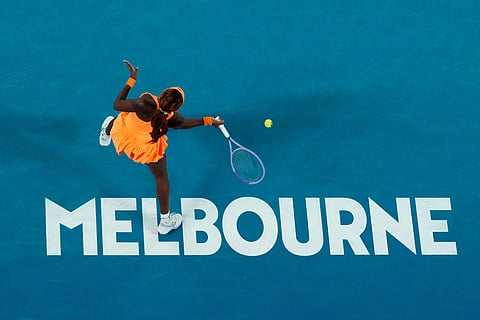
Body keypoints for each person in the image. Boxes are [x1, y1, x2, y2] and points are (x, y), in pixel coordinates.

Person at [99, 60, 223, 235]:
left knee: (119, 118)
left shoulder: (146, 102)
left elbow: (117, 104)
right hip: (145, 147)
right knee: (161, 178)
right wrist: (210, 121)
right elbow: (185, 124)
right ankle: (165, 221)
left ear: (162, 94)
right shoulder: (174, 119)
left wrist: (131, 80)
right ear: (177, 107)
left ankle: (107, 131)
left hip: (125, 132)